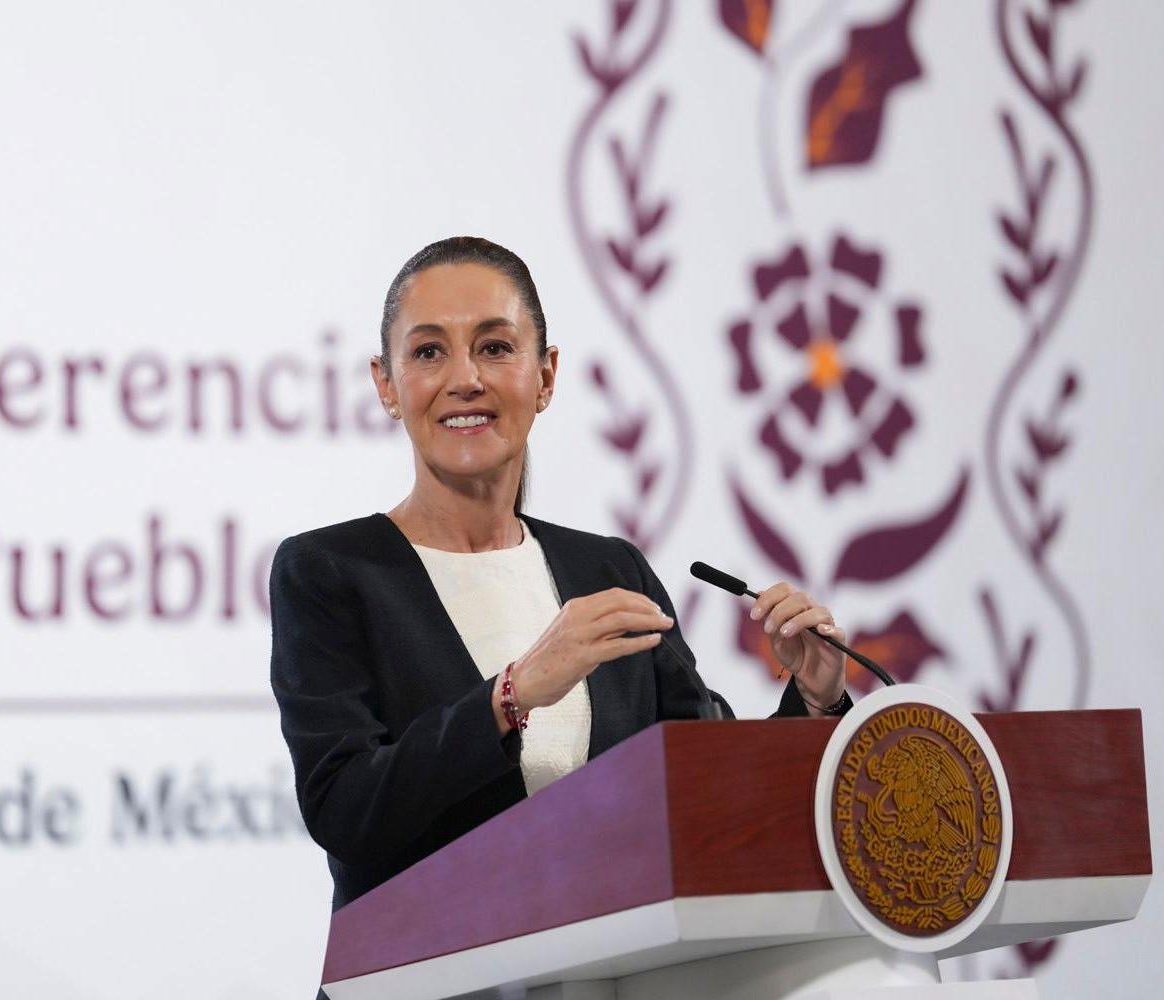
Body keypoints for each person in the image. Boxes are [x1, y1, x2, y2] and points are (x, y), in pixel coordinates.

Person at [269, 236, 852, 923]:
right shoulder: (328, 571)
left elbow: (711, 787)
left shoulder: (609, 569)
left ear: (545, 376)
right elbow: (346, 811)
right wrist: (512, 695)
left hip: (621, 965)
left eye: (494, 347)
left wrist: (814, 701)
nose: (465, 379)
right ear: (386, 385)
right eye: (428, 352)